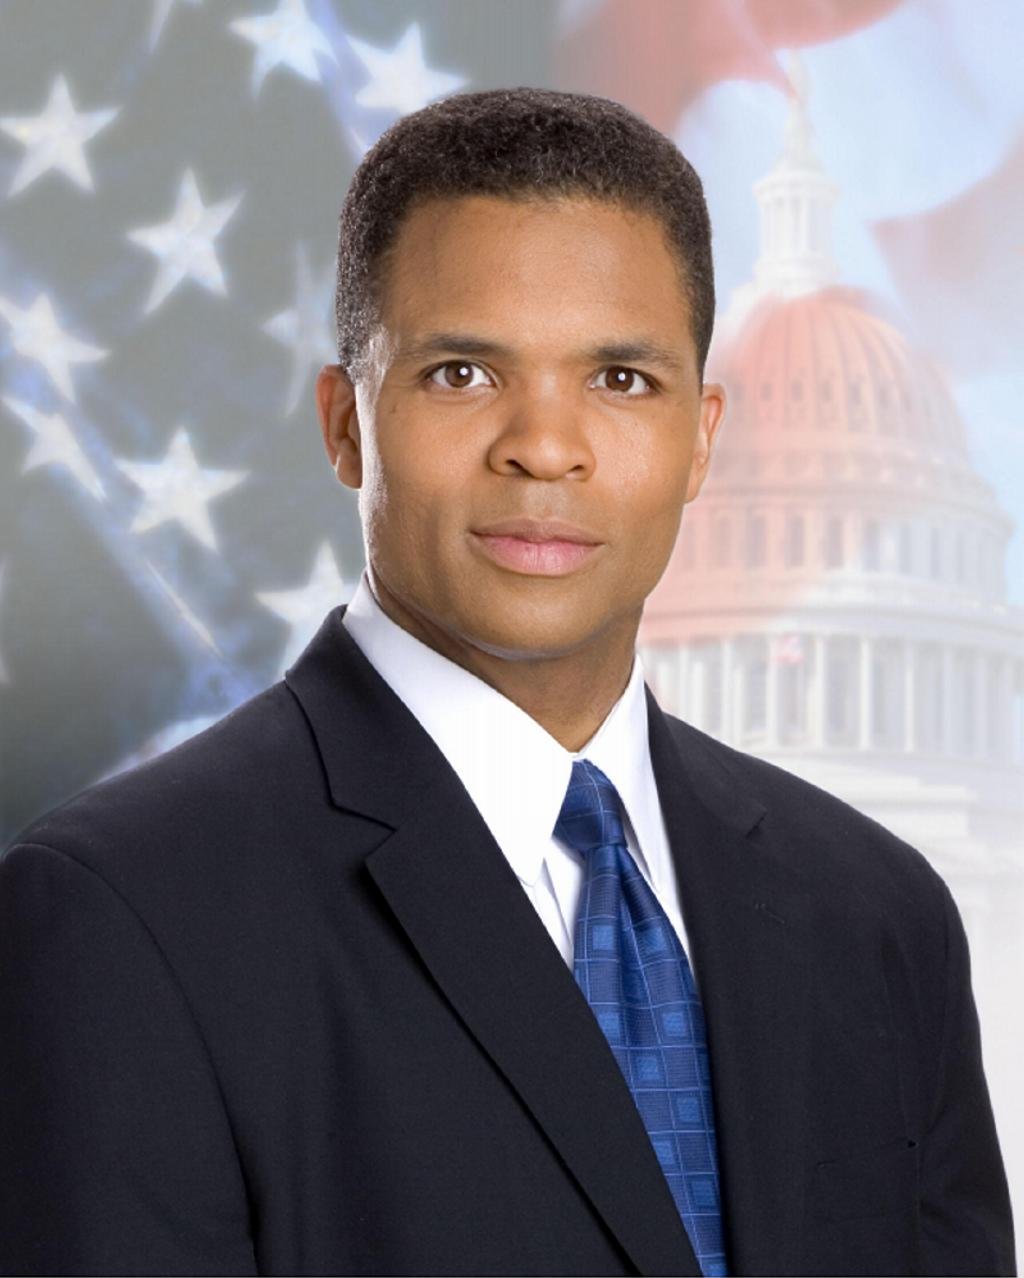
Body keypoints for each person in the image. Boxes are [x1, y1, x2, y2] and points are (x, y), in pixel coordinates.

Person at [0, 85, 1014, 1277]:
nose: (544, 446)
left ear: (701, 438)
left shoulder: (878, 918)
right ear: (344, 424)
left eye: (619, 380)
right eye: (463, 374)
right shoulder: (123, 917)